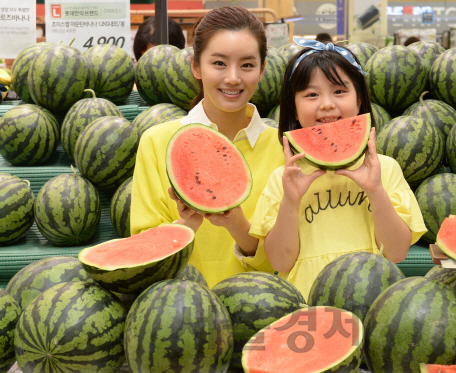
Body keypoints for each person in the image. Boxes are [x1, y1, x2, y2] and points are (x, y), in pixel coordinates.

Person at [246, 38, 427, 299]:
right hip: (307, 307)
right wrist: (291, 201)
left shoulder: (384, 169)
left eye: (339, 91)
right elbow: (279, 262)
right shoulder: (284, 179)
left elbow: (397, 252)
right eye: (311, 94)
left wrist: (375, 189)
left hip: (373, 302)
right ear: (294, 110)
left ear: (360, 100)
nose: (327, 104)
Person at [130, 6, 285, 288]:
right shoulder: (156, 143)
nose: (233, 78)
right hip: (182, 314)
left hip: (256, 312)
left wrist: (237, 225)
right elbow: (144, 255)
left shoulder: (280, 149)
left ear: (262, 71)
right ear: (196, 66)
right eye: (219, 63)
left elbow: (281, 262)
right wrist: (187, 225)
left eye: (247, 65)